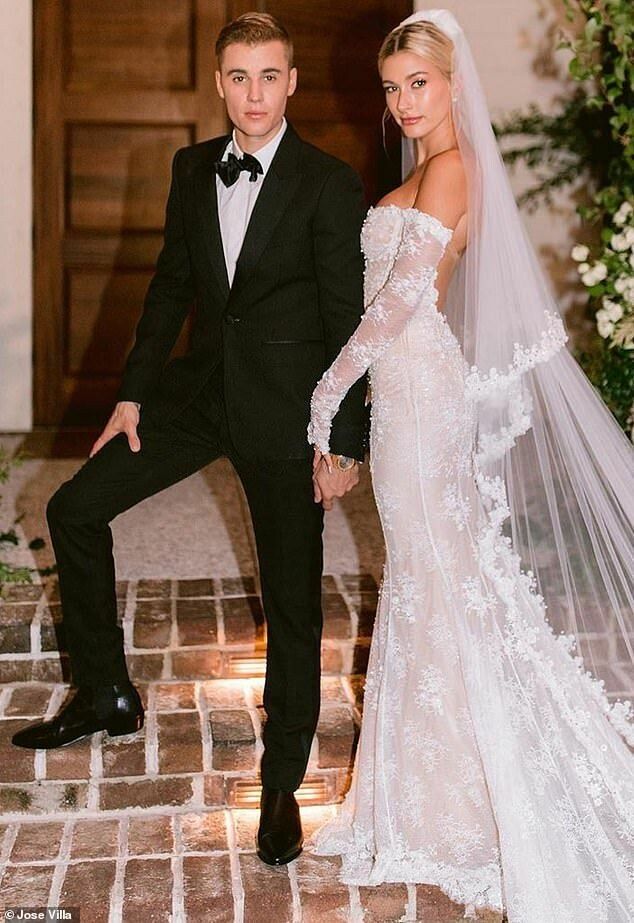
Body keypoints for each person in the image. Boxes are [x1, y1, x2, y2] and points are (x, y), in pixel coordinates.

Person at [12, 12, 369, 868]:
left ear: (291, 84)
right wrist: (134, 393)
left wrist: (343, 440)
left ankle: (282, 779)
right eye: (238, 77)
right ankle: (104, 689)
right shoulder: (187, 167)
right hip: (200, 394)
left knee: (288, 598)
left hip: (289, 413)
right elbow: (171, 286)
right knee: (73, 506)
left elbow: (347, 321)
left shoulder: (327, 182)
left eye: (269, 76)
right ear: (219, 83)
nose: (253, 93)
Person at [307, 10, 634, 922]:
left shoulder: (452, 172)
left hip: (418, 394)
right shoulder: (425, 172)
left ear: (453, 84)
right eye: (392, 88)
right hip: (411, 399)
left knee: (434, 581)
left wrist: (328, 391)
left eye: (418, 83)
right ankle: (420, 789)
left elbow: (404, 301)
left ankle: (453, 799)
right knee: (427, 579)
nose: (403, 103)